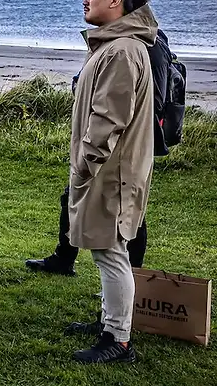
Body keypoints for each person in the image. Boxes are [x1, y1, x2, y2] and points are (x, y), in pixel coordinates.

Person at [63, 0, 158, 364]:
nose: (85, 1)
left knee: (110, 250)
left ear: (115, 0)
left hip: (111, 170)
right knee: (105, 247)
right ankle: (108, 320)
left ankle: (118, 339)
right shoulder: (114, 46)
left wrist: (85, 165)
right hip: (109, 167)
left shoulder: (121, 51)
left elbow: (108, 120)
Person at [24, 27, 172, 278]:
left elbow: (148, 101)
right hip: (107, 146)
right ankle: (65, 256)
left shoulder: (141, 47)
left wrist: (87, 159)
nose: (88, 2)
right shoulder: (115, 43)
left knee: (128, 217)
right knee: (72, 198)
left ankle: (131, 276)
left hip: (124, 149)